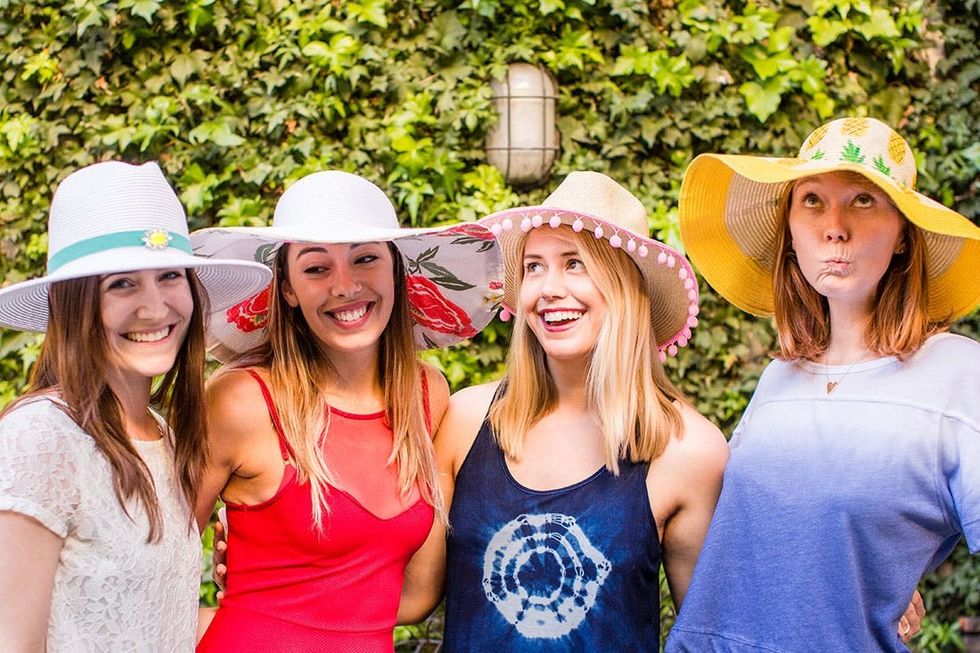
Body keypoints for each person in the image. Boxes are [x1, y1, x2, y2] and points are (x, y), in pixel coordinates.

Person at [666, 116, 979, 652]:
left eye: (863, 200)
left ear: (904, 235)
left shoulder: (959, 375)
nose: (835, 225)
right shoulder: (780, 376)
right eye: (812, 200)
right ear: (789, 230)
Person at [397, 171, 730, 651]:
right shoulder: (467, 420)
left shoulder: (689, 451)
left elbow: (707, 637)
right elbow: (414, 595)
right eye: (534, 266)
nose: (548, 289)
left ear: (625, 287)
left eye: (575, 264)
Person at [189, 170, 502, 651]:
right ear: (288, 288)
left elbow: (413, 596)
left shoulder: (426, 394)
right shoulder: (240, 400)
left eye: (366, 258)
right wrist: (240, 619)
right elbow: (151, 561)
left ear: (396, 270)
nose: (345, 285)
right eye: (316, 268)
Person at [0, 161, 271, 651]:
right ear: (74, 305)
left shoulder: (162, 435)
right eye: (121, 284)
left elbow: (145, 624)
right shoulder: (41, 436)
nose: (154, 307)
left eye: (169, 276)